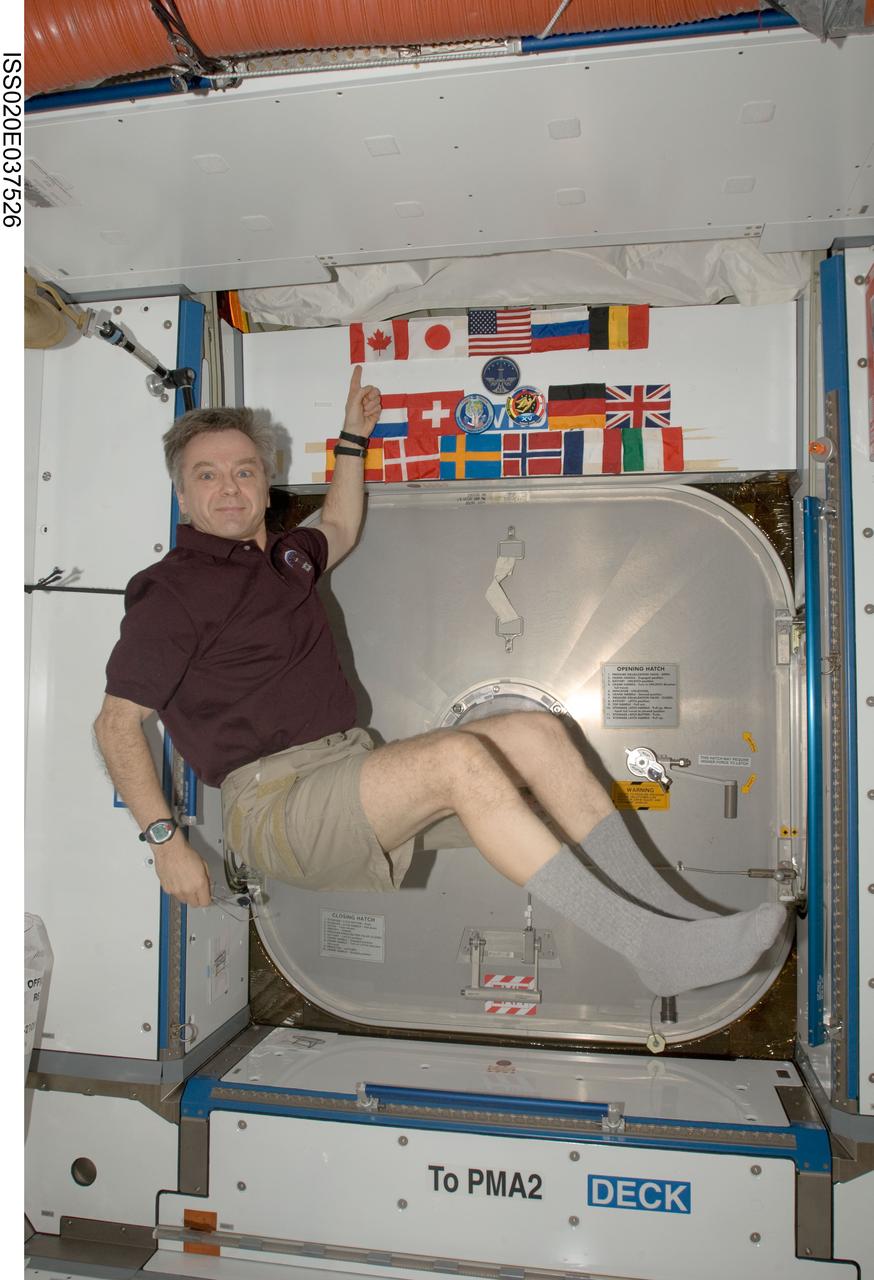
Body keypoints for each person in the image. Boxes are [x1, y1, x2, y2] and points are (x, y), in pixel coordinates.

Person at [94, 367, 787, 998]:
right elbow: (116, 724)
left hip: (346, 768)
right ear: (181, 491)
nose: (229, 488)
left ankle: (677, 923)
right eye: (207, 475)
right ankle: (652, 947)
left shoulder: (286, 560)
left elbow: (339, 521)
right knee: (458, 759)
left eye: (243, 471)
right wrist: (165, 840)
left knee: (537, 735)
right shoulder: (171, 592)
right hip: (274, 807)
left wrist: (353, 438)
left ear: (263, 479)